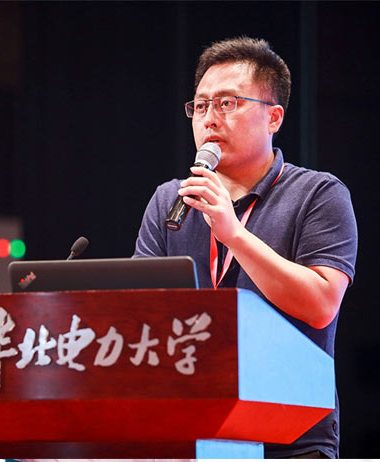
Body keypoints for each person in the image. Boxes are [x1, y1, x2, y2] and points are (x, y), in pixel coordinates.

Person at [133, 36, 357, 458]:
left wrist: (233, 234)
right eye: (201, 106)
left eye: (227, 103)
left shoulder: (319, 194)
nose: (209, 119)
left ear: (273, 117)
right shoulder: (171, 200)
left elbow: (321, 304)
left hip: (290, 432)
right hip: (188, 428)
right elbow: (137, 311)